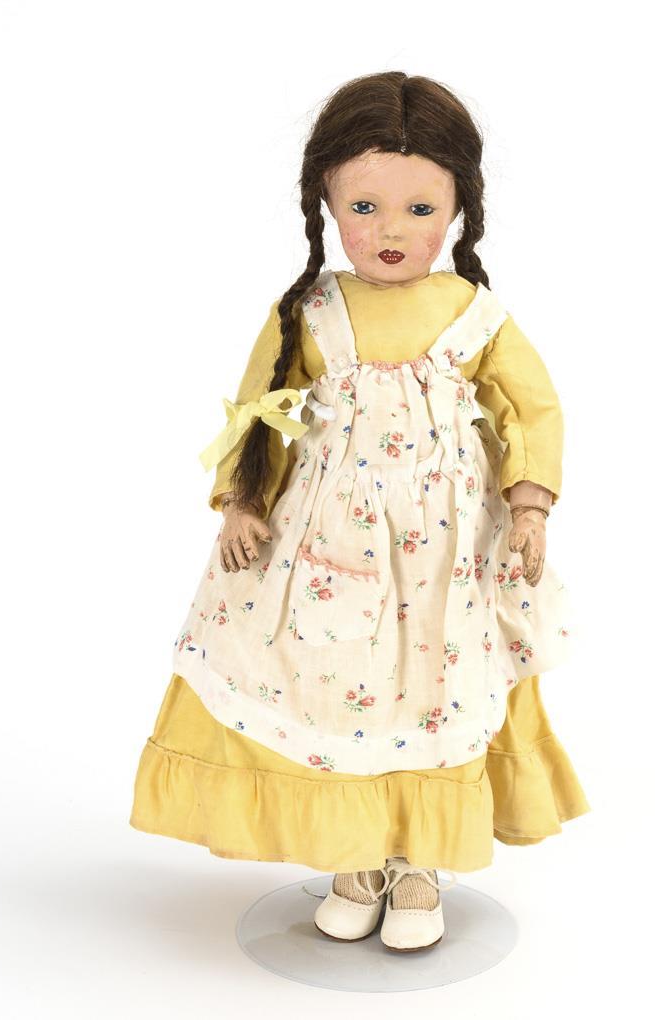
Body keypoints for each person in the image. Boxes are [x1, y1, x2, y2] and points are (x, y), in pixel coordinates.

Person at [130, 71, 590, 952]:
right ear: (326, 205)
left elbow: (532, 411)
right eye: (364, 207)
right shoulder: (310, 311)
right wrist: (240, 502)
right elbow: (261, 408)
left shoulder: (474, 315)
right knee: (332, 687)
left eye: (420, 210)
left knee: (433, 689)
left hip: (446, 555)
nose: (390, 231)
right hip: (324, 542)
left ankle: (419, 865)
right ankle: (355, 859)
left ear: (458, 210)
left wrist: (529, 506)